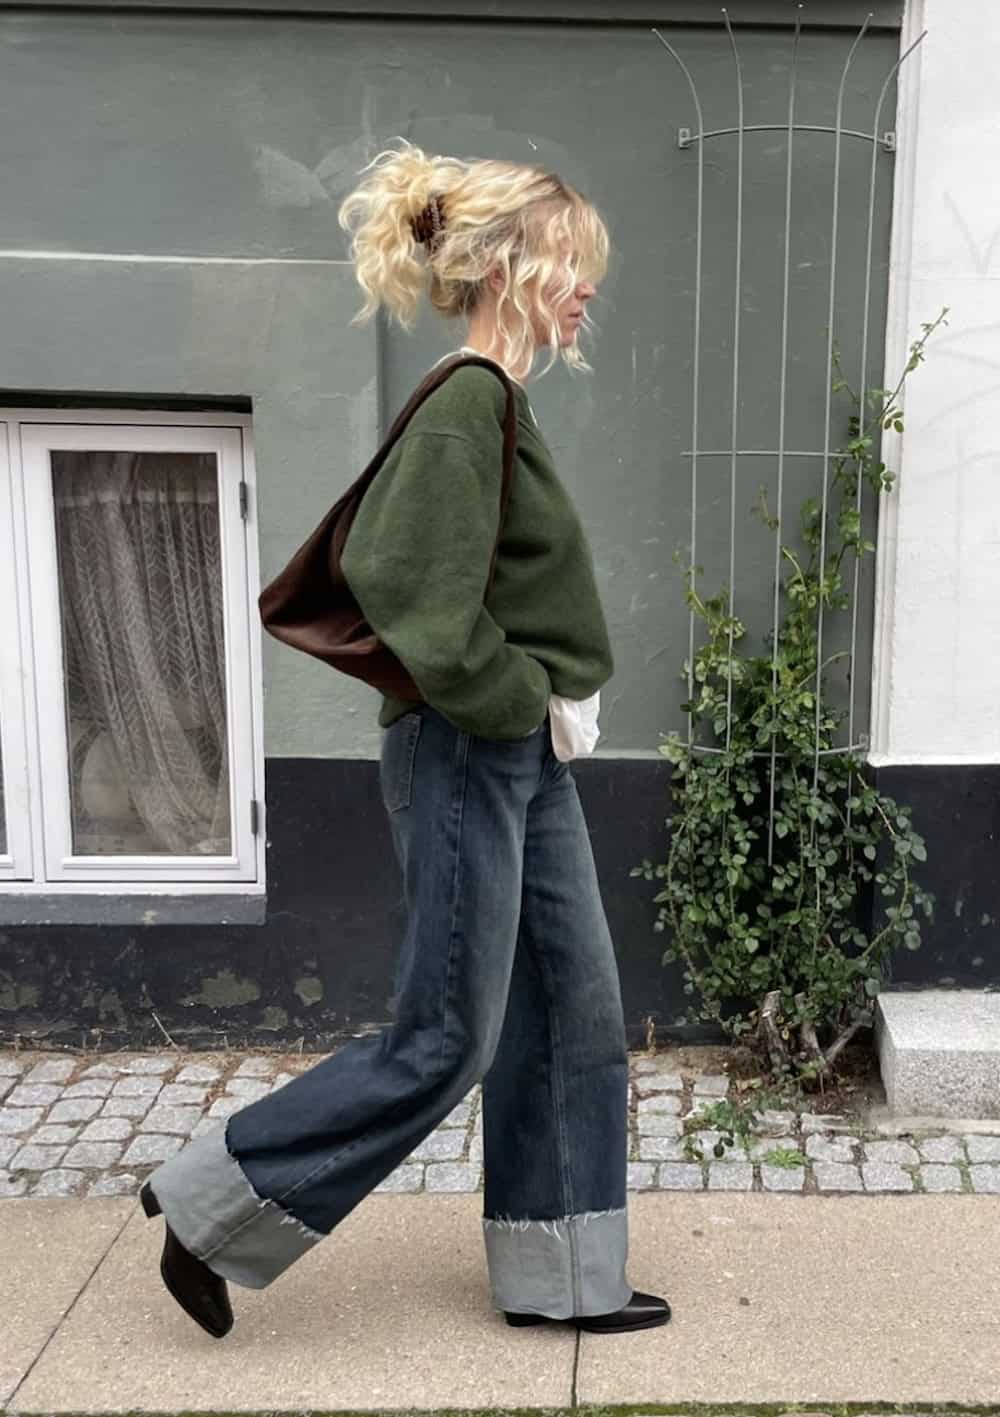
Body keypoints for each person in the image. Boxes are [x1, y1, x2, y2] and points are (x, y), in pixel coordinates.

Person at [139, 139, 670, 1341]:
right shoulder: (469, 400)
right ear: (507, 267)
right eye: (571, 262)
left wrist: (535, 709)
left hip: (518, 761)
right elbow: (400, 581)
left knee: (570, 1015)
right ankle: (209, 1200)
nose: (587, 286)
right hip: (466, 750)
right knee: (447, 1037)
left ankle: (563, 1275)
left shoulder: (500, 401)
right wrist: (520, 691)